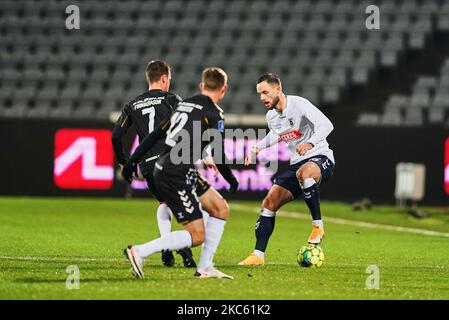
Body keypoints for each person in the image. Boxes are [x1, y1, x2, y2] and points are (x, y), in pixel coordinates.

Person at [122, 67, 239, 279]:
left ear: (202, 86)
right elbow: (219, 154)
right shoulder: (215, 113)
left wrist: (131, 161)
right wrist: (231, 179)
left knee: (220, 208)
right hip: (174, 172)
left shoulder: (183, 105)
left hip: (173, 168)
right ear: (224, 89)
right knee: (196, 235)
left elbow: (155, 134)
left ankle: (205, 267)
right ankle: (139, 251)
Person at [238, 73, 335, 266]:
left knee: (304, 173)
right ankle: (258, 255)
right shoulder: (271, 116)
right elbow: (277, 134)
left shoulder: (299, 104)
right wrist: (257, 148)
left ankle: (318, 226)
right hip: (297, 163)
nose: (262, 98)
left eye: (265, 92)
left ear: (278, 89)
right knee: (269, 202)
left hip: (320, 157)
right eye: (259, 94)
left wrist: (309, 142)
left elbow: (327, 125)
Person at [111, 59, 197, 268]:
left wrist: (123, 162)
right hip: (171, 161)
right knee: (189, 207)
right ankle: (184, 250)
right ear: (165, 78)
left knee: (164, 203)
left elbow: (115, 136)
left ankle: (167, 248)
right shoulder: (171, 98)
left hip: (147, 166)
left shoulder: (132, 104)